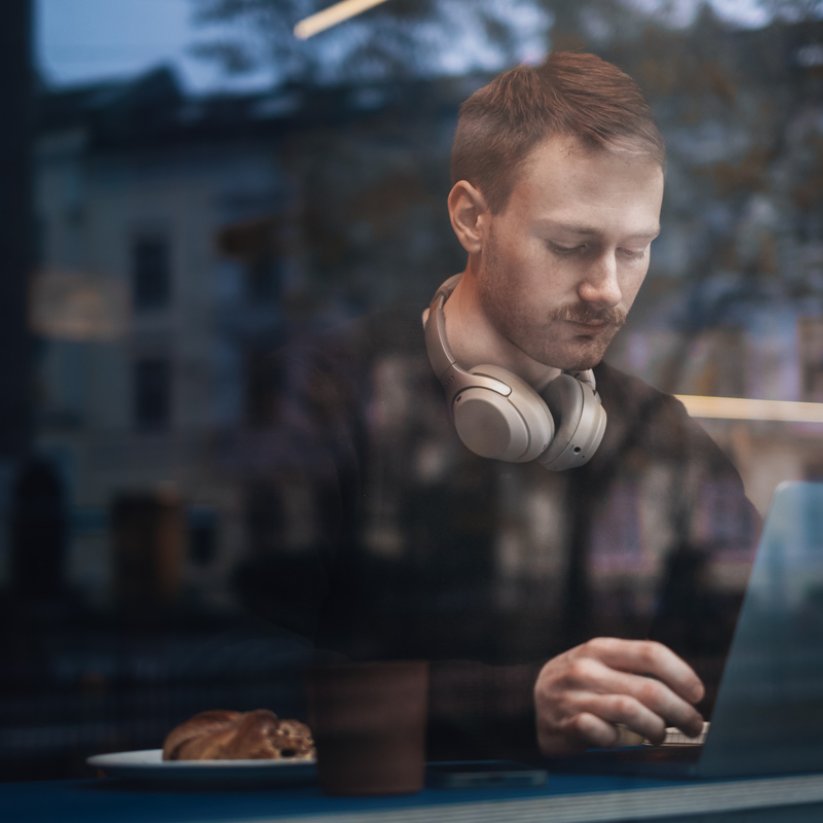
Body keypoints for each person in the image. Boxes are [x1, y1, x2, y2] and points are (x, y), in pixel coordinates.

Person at [235, 51, 759, 761]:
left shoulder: (660, 434)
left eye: (635, 249)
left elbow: (764, 657)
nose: (607, 288)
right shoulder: (326, 397)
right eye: (571, 245)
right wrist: (515, 707)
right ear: (471, 218)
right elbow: (252, 679)